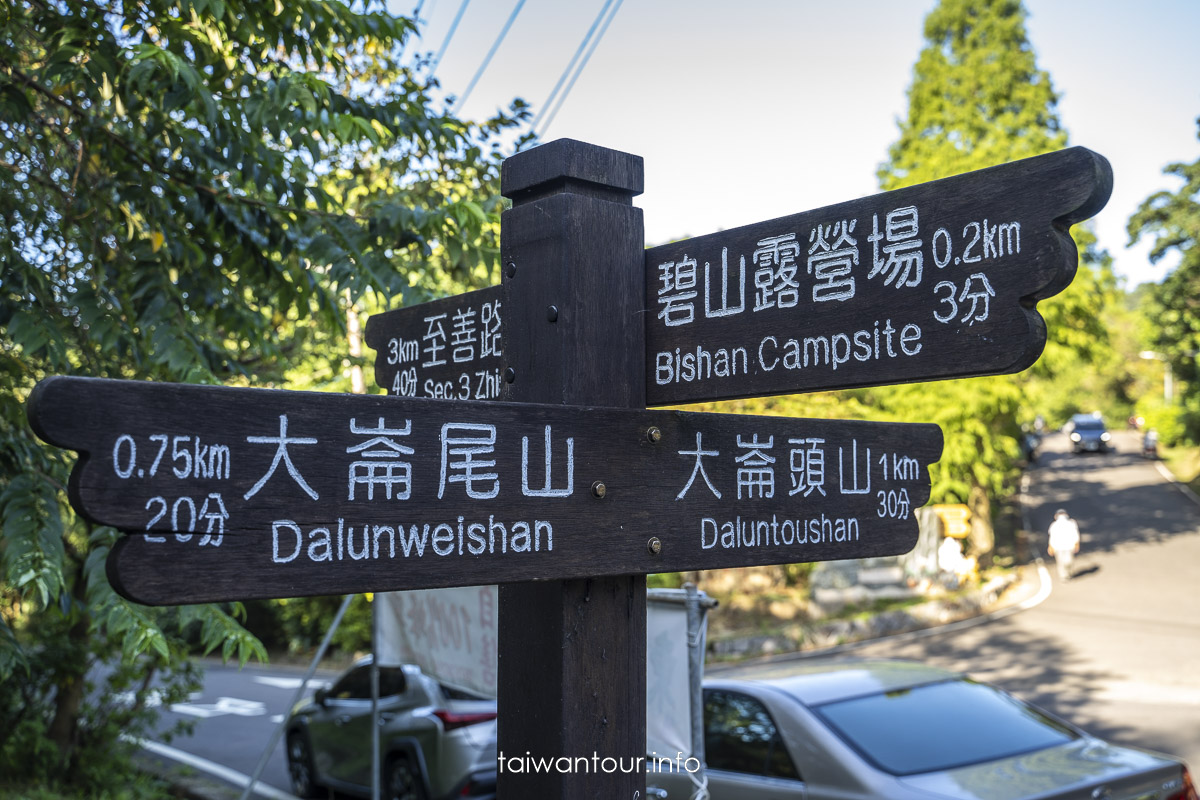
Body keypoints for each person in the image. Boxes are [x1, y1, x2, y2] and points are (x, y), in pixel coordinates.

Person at [1047, 509, 1081, 581]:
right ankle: (1064, 576)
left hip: (1068, 546)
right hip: (1058, 547)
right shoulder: (1054, 525)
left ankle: (1067, 573)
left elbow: (1075, 534)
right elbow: (1052, 537)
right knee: (1061, 562)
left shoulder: (1071, 523)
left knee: (1068, 561)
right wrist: (1050, 546)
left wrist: (1076, 543)